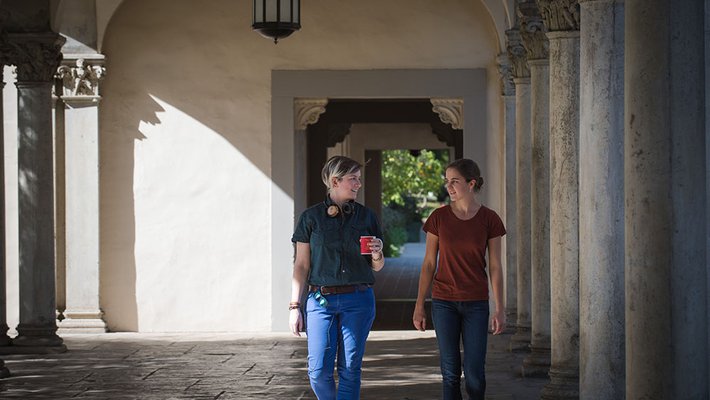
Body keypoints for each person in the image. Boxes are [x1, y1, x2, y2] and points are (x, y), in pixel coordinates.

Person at [289, 155, 385, 400]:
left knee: (350, 368)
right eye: (353, 179)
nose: (358, 184)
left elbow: (377, 267)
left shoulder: (367, 217)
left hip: (359, 299)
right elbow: (301, 265)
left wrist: (377, 254)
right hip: (320, 301)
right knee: (318, 371)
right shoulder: (310, 218)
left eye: (359, 179)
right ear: (335, 181)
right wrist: (295, 306)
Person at [412, 158, 506, 400]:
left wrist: (500, 308)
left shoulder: (490, 219)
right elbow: (429, 264)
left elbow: (495, 266)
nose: (449, 187)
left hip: (476, 303)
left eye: (454, 181)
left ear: (471, 183)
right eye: (447, 182)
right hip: (444, 302)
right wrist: (419, 304)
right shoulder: (439, 218)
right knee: (450, 373)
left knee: (475, 374)